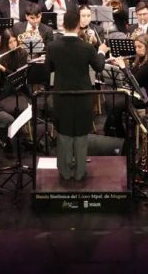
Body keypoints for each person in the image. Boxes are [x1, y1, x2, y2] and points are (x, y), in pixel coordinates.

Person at [46, 9, 109, 180]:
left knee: (64, 132)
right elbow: (99, 66)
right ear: (77, 25)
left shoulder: (53, 46)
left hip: (61, 95)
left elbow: (49, 68)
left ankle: (65, 172)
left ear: (63, 24)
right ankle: (80, 172)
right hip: (83, 95)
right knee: (80, 134)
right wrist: (101, 51)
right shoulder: (87, 47)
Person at [104, 33, 148, 137]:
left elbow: (135, 81)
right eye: (135, 47)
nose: (137, 49)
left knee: (116, 105)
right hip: (137, 93)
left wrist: (123, 67)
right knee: (111, 101)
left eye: (140, 47)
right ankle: (113, 131)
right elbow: (132, 75)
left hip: (146, 97)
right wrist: (120, 66)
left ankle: (119, 134)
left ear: (147, 47)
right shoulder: (140, 60)